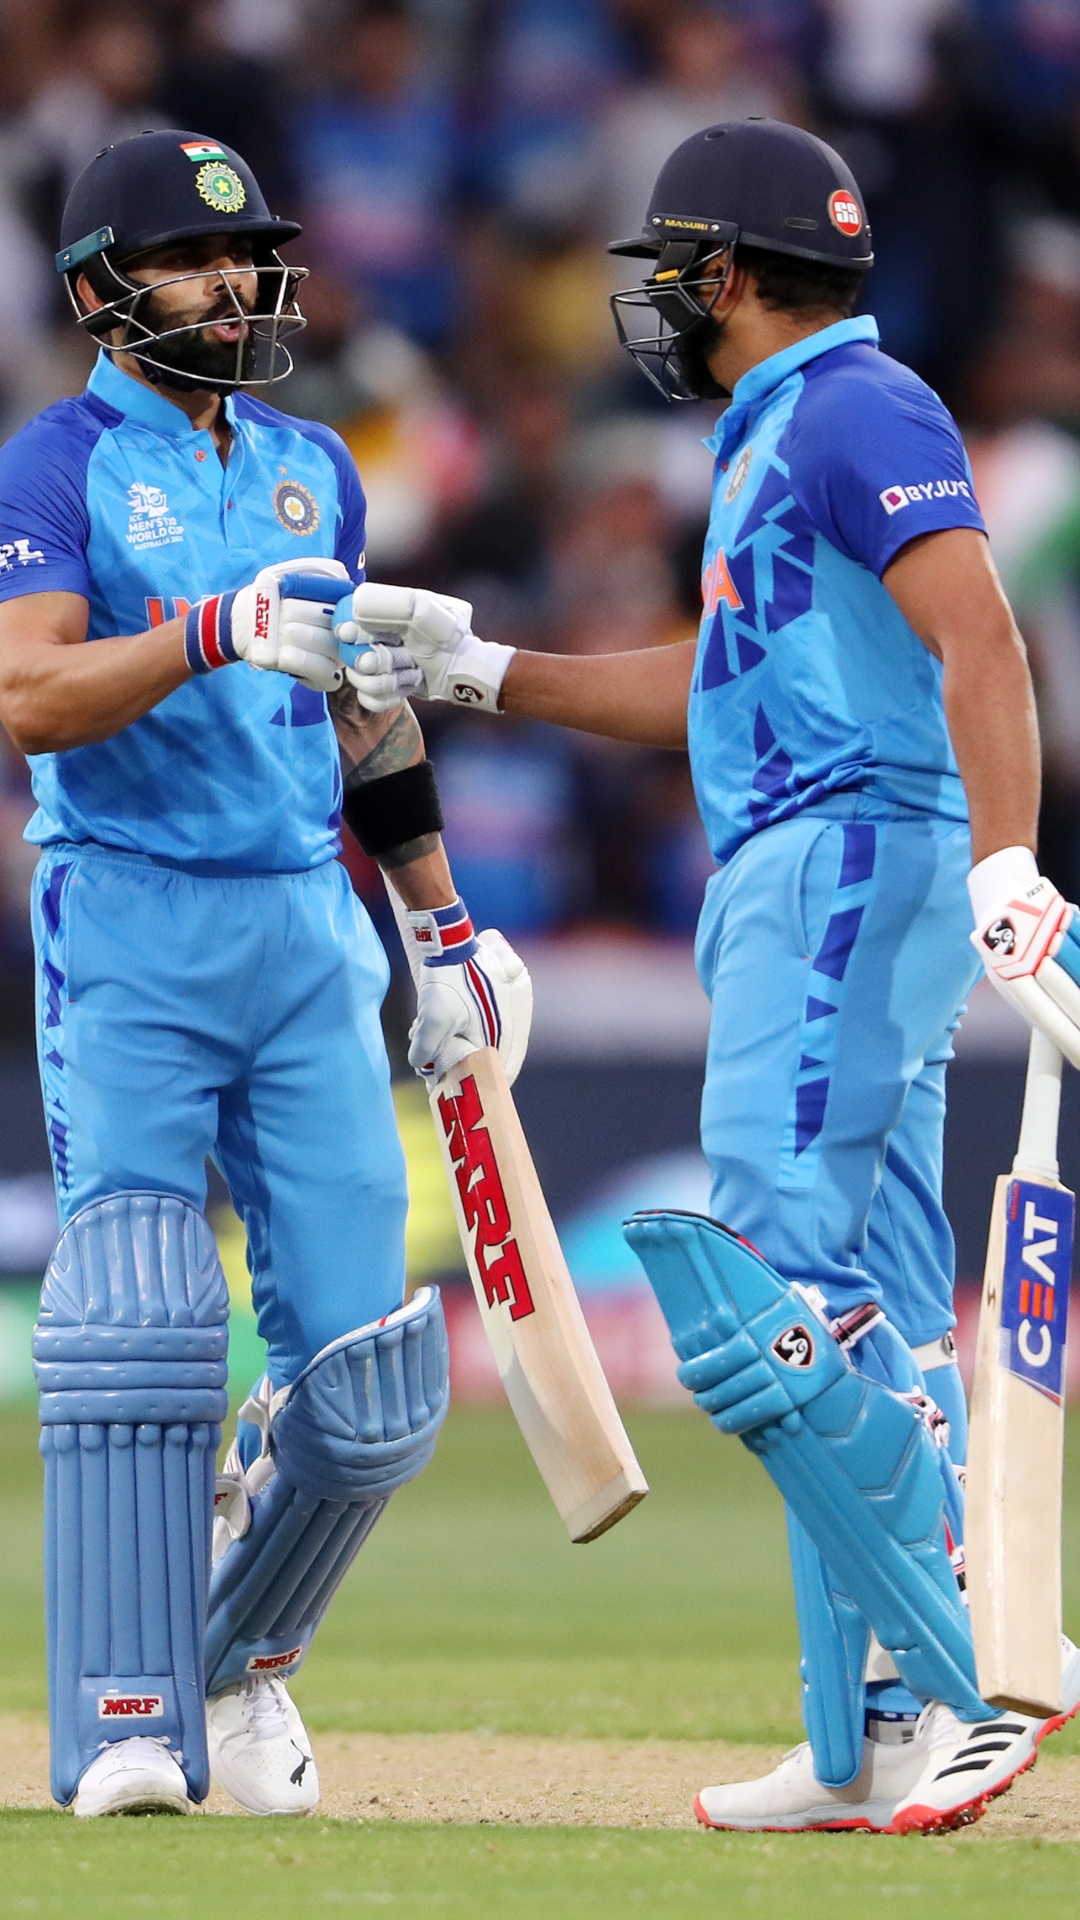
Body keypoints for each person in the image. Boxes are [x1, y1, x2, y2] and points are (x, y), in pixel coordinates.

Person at [333, 119, 1080, 1835]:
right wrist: (482, 667)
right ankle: (867, 1731)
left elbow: (983, 633)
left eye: (676, 270)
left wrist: (1008, 863)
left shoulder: (855, 408)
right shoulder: (785, 426)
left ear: (730, 274)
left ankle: (982, 1667)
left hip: (844, 858)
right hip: (820, 853)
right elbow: (728, 677)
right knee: (869, 1291)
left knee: (765, 1292)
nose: (662, 301)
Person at [0, 130, 529, 1821]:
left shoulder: (314, 465)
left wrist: (442, 932)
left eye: (249, 255)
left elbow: (365, 716)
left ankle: (235, 1672)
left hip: (307, 930)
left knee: (371, 1383)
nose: (236, 284)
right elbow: (29, 696)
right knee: (144, 1327)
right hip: (131, 919)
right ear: (102, 290)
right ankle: (125, 1720)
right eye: (192, 260)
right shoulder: (54, 466)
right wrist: (213, 629)